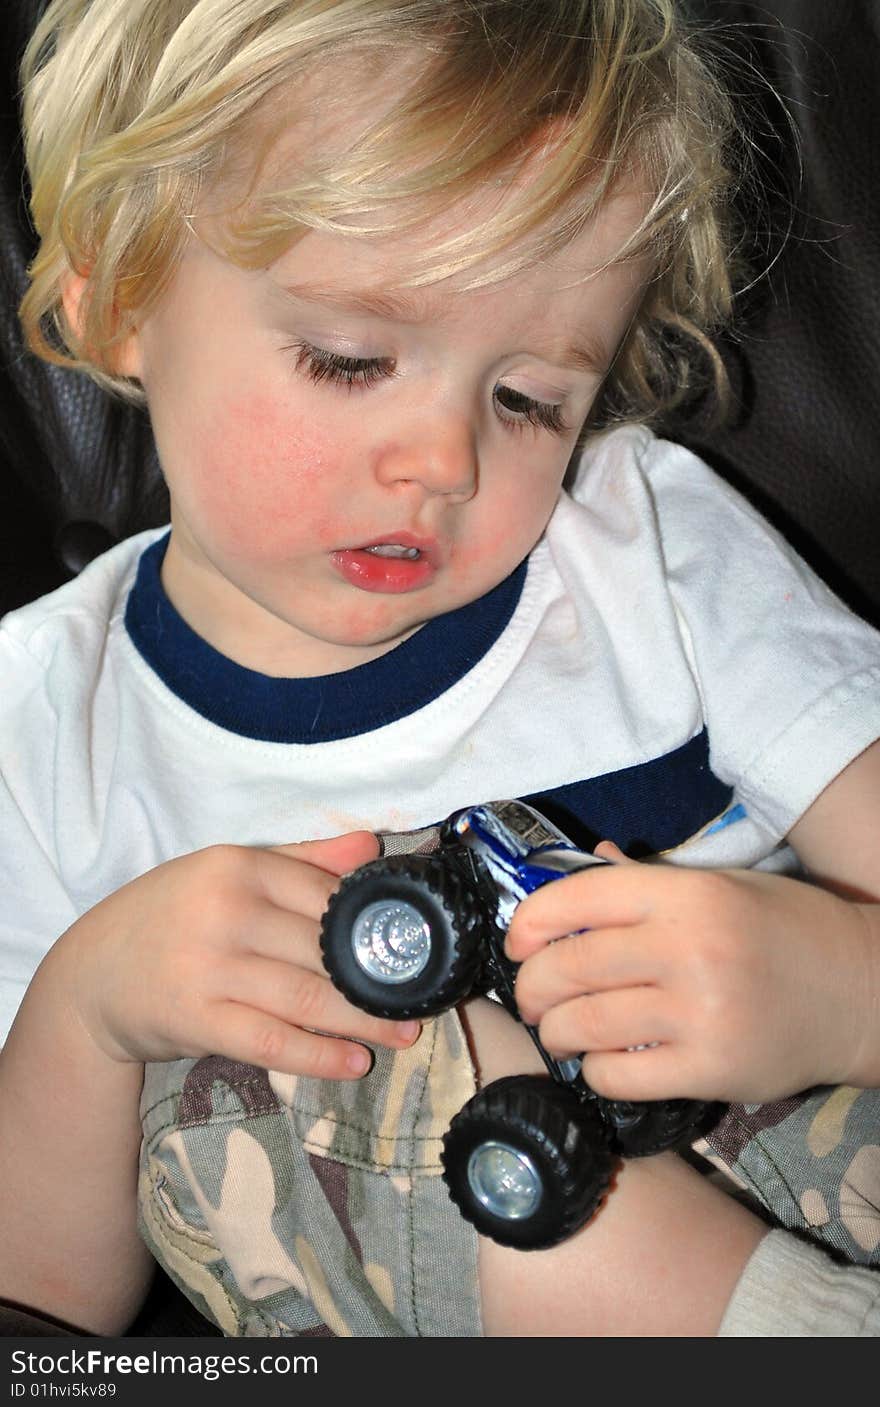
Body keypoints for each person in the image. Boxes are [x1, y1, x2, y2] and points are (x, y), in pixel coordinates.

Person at [1, 0, 878, 1338]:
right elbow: (45, 1313)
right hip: (423, 1256)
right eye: (350, 360)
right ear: (121, 302)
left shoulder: (648, 558)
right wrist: (86, 1007)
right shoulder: (38, 728)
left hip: (793, 1162)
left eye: (529, 400)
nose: (446, 463)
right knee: (238, 1039)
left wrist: (839, 991)